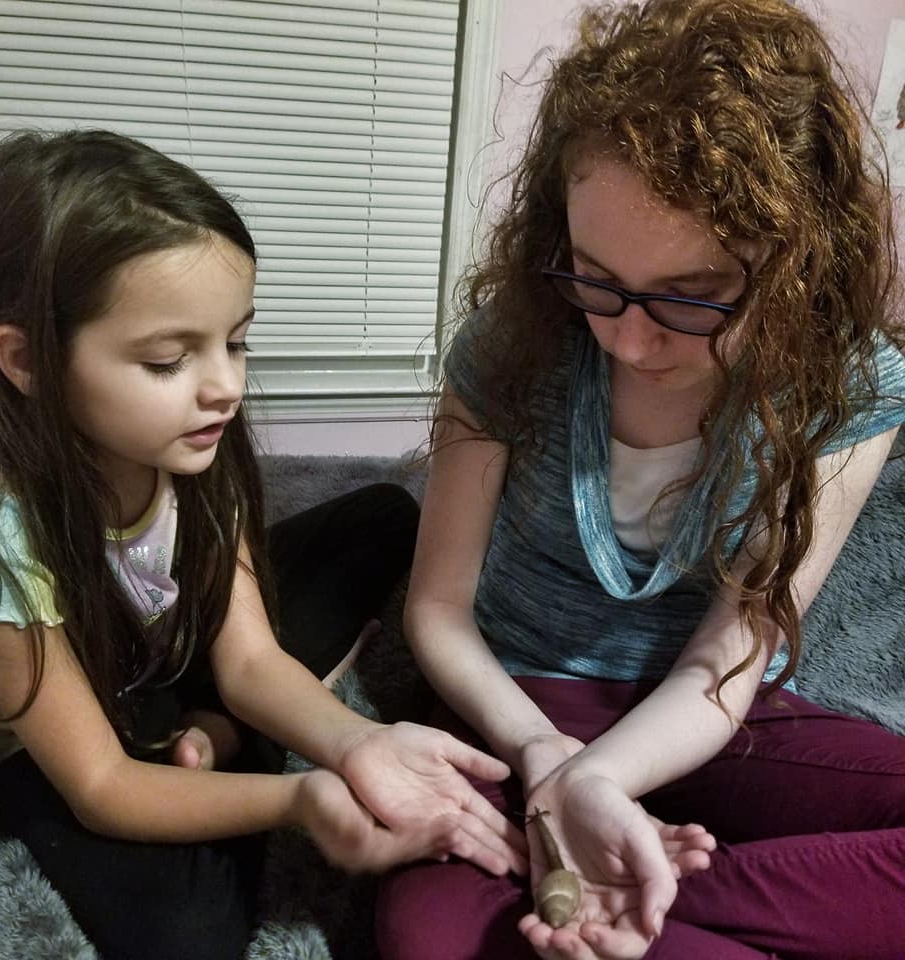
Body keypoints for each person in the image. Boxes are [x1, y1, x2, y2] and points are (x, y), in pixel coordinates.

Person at [375, 1, 905, 958]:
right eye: (595, 278)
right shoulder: (515, 343)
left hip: (708, 716)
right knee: (428, 938)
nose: (628, 339)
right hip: (519, 698)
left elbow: (728, 657)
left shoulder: (853, 383)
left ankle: (630, 900)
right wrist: (542, 753)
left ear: (794, 260)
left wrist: (596, 785)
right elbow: (439, 610)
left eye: (692, 298)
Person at [0, 129, 531, 960]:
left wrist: (358, 741)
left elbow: (251, 659)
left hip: (155, 644)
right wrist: (297, 799)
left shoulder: (189, 446)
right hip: (54, 719)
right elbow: (101, 784)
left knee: (380, 516)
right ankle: (205, 740)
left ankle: (209, 730)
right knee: (190, 934)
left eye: (236, 340)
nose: (225, 386)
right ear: (27, 360)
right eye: (167, 361)